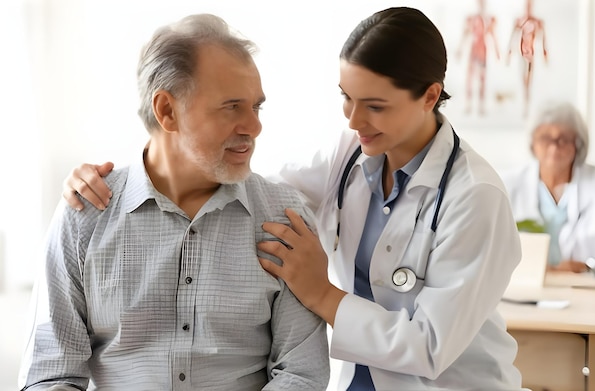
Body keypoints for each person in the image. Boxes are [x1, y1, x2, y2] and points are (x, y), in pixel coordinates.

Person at [61, 7, 525, 390]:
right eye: (347, 97)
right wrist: (106, 181)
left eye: (375, 105)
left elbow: (427, 348)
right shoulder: (352, 154)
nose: (354, 120)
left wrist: (321, 292)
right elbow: (234, 177)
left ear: (429, 96)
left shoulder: (474, 197)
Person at [18, 13, 330, 391]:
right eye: (232, 106)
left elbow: (301, 375)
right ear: (166, 110)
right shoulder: (84, 217)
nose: (254, 126)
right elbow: (50, 376)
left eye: (256, 107)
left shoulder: (284, 219)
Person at [500, 101, 595, 277]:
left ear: (578, 144)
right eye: (545, 138)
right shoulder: (508, 184)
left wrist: (588, 268)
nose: (554, 147)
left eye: (564, 139)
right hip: (525, 288)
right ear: (533, 143)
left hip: (588, 289)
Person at [455, 0, 500, 116]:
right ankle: (468, 104)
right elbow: (465, 33)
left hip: (482, 50)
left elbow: (493, 35)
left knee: (482, 78)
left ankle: (481, 105)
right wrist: (460, 48)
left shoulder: (489, 19)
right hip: (473, 50)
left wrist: (497, 51)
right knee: (470, 78)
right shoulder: (471, 18)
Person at [506, 0, 548, 117]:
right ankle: (524, 104)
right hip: (522, 54)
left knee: (528, 82)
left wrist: (545, 53)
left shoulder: (537, 22)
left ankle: (527, 105)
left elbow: (543, 38)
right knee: (523, 80)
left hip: (531, 56)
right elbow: (513, 37)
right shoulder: (519, 21)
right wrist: (509, 52)